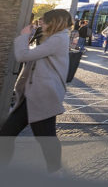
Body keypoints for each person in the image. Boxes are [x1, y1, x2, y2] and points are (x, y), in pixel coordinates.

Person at [0, 9, 72, 173]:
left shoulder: (59, 39)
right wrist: (33, 34)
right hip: (33, 94)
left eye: (44, 22)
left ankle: (55, 172)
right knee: (7, 134)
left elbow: (23, 55)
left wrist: (24, 35)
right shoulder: (53, 38)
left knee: (45, 138)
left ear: (54, 22)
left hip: (42, 95)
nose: (41, 25)